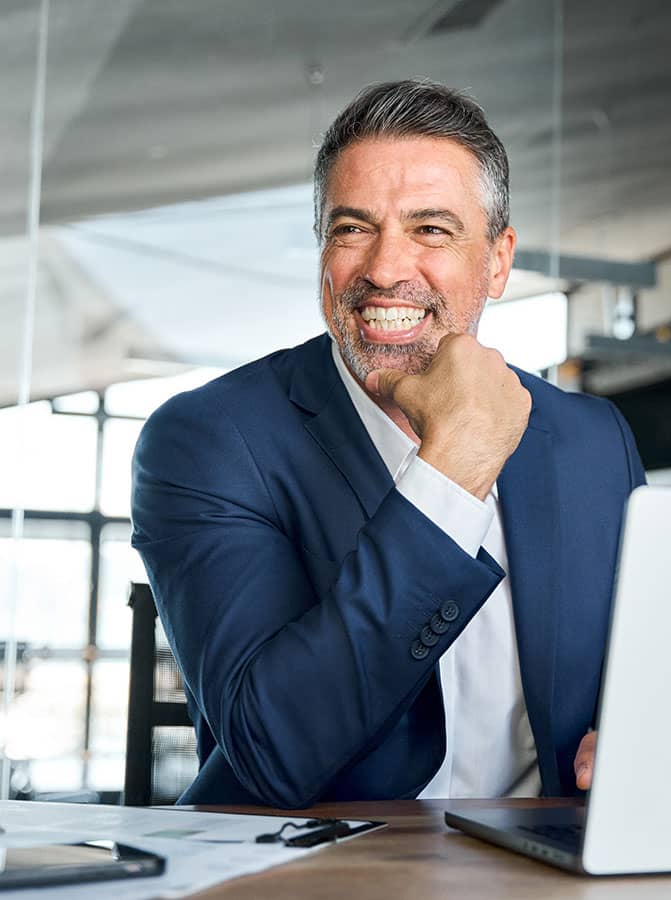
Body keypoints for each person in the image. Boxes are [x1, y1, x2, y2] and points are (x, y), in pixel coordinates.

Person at [131, 79, 644, 808]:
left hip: (547, 850)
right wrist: (453, 470)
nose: (384, 269)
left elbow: (648, 667)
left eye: (430, 229)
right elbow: (274, 751)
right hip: (318, 859)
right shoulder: (209, 440)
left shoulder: (593, 441)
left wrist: (639, 731)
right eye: (352, 228)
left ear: (498, 261)